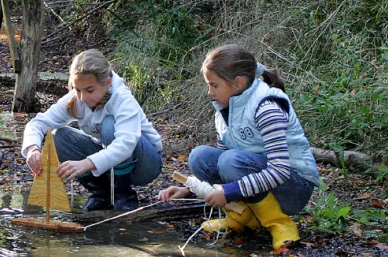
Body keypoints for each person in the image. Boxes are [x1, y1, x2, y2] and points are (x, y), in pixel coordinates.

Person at [157, 44, 319, 250]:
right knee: (200, 157)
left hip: (293, 188)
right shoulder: (224, 109)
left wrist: (230, 191)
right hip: (260, 177)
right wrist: (189, 189)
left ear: (238, 83)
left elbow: (280, 171)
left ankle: (279, 223)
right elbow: (221, 166)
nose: (209, 92)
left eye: (214, 85)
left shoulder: (267, 107)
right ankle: (241, 215)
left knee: (231, 161)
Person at [22, 49, 163, 211]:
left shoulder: (122, 98)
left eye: (90, 90)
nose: (83, 98)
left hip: (145, 165)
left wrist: (87, 163)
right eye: (77, 89)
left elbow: (126, 144)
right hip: (110, 163)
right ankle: (102, 194)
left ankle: (124, 197)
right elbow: (38, 123)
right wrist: (33, 148)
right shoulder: (75, 100)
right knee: (59, 136)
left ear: (108, 83)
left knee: (109, 126)